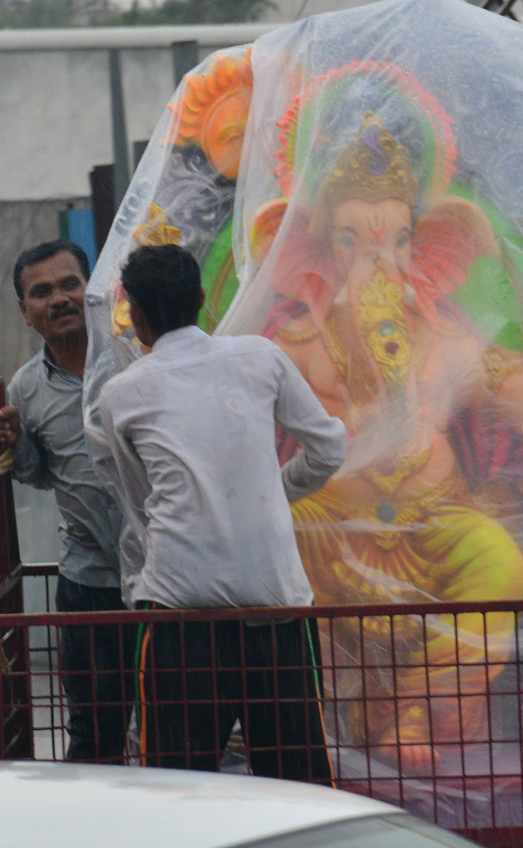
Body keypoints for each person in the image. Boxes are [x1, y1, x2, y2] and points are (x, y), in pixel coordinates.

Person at [98, 244, 347, 783]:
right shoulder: (261, 357)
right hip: (277, 606)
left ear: (134, 313)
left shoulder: (121, 396)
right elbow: (329, 448)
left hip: (181, 618)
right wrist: (276, 491)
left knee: (178, 785)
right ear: (203, 300)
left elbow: (143, 501)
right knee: (297, 782)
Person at [0, 239, 134, 764]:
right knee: (94, 732)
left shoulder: (135, 356)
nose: (60, 299)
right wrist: (9, 438)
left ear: (92, 291)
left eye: (70, 284)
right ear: (26, 313)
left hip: (166, 581)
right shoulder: (25, 388)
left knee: (174, 727)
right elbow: (36, 475)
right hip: (89, 583)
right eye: (41, 292)